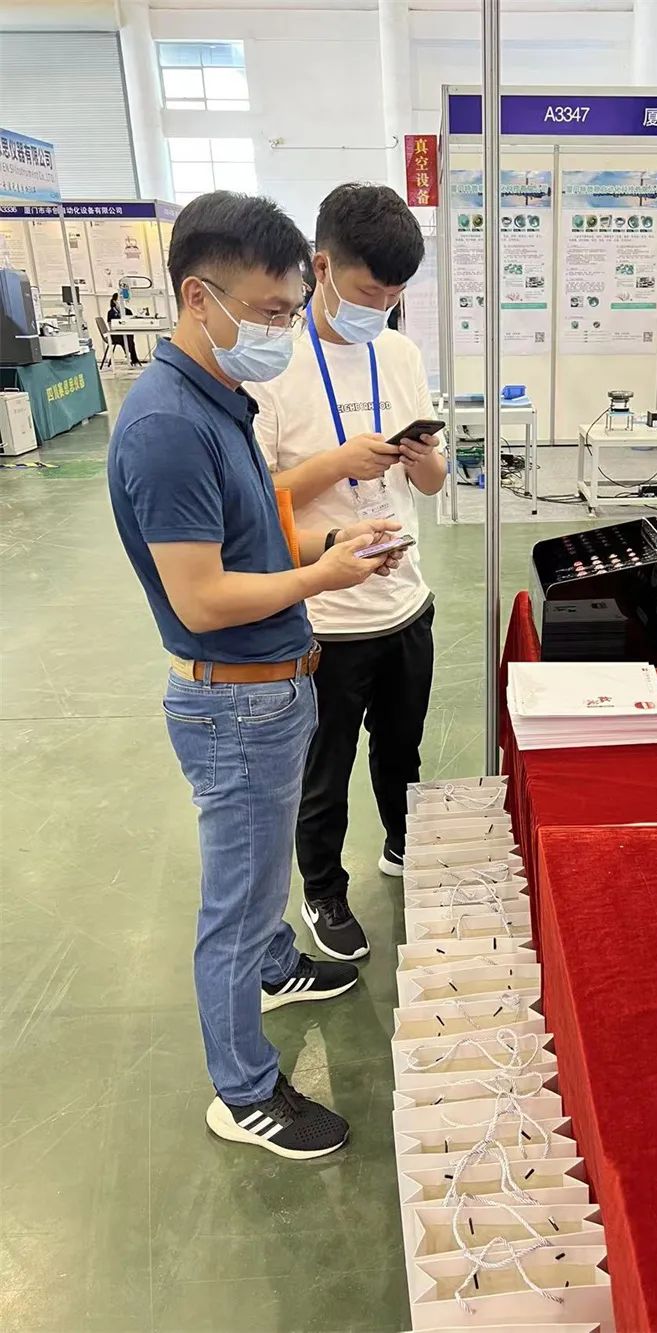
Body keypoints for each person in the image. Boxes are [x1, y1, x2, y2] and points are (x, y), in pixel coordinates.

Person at [107, 190, 405, 1161]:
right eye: (272, 313)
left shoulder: (220, 399)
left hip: (273, 687)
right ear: (200, 297)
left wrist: (331, 543)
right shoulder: (166, 426)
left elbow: (253, 534)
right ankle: (241, 1089)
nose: (283, 331)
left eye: (290, 311)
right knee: (235, 900)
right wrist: (322, 578)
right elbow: (200, 597)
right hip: (233, 701)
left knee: (262, 864)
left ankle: (277, 964)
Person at [254, 183, 446, 964]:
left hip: (405, 601)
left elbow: (431, 483)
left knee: (402, 751)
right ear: (322, 266)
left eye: (397, 293)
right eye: (371, 291)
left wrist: (422, 457)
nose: (383, 306)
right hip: (326, 619)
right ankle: (324, 890)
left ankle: (403, 842)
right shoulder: (273, 364)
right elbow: (256, 501)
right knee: (323, 772)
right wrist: (338, 461)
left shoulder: (400, 353)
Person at [107, 290, 142, 367]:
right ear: (114, 301)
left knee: (129, 337)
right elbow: (110, 324)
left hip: (127, 332)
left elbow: (131, 322)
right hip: (116, 334)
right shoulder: (111, 312)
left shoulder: (128, 311)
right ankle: (132, 358)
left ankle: (131, 356)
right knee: (128, 339)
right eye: (119, 300)